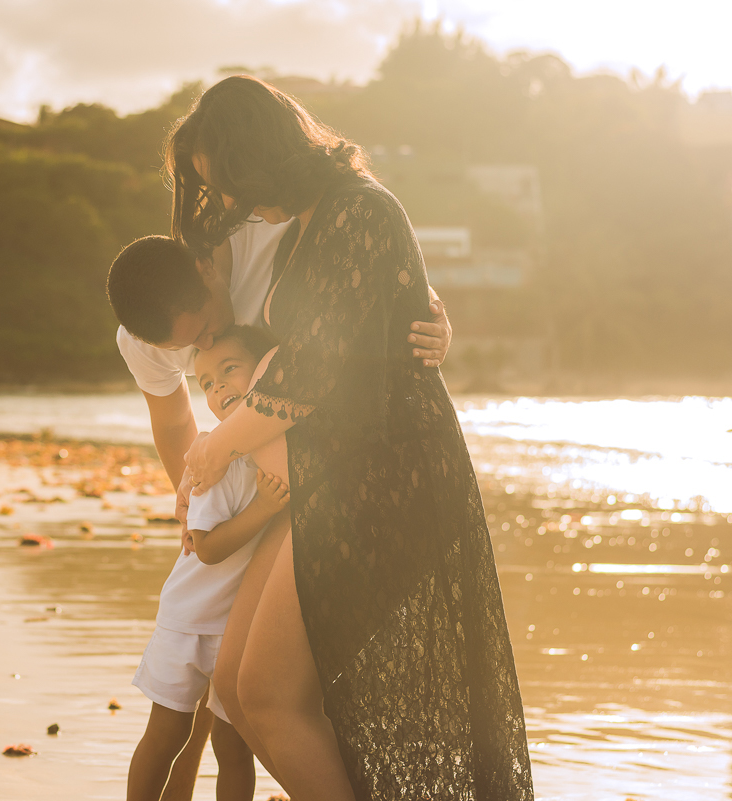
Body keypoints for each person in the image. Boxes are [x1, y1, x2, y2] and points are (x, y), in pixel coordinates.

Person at [174, 75, 534, 800]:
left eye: (236, 182)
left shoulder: (358, 208)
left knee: (270, 695)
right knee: (240, 691)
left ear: (266, 153)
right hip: (331, 473)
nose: (237, 203)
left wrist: (220, 445)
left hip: (387, 472)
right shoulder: (302, 222)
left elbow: (315, 364)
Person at [108, 220, 452, 798]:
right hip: (245, 519)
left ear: (206, 273)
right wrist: (203, 504)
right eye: (188, 350)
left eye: (210, 328)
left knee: (241, 715)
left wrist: (440, 321)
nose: (206, 344)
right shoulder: (143, 341)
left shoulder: (268, 260)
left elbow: (380, 284)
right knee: (180, 722)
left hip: (310, 485)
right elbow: (172, 420)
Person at [127, 325, 287, 801]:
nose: (218, 390)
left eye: (229, 371)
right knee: (168, 733)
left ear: (264, 372)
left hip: (238, 629)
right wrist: (262, 509)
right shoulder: (216, 460)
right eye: (207, 385)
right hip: (191, 622)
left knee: (233, 746)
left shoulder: (271, 453)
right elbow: (208, 548)